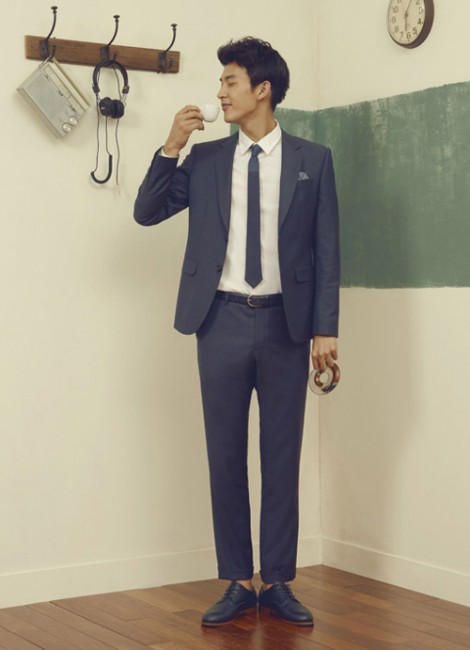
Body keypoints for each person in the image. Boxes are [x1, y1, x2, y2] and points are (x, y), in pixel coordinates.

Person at [134, 36, 340, 627]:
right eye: (221, 82)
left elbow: (327, 249)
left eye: (230, 81)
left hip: (286, 325)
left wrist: (325, 330)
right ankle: (235, 580)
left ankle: (276, 580)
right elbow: (147, 212)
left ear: (262, 89)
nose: (220, 93)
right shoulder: (204, 161)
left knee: (282, 454)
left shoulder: (313, 159)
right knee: (224, 454)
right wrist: (172, 146)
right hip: (219, 318)